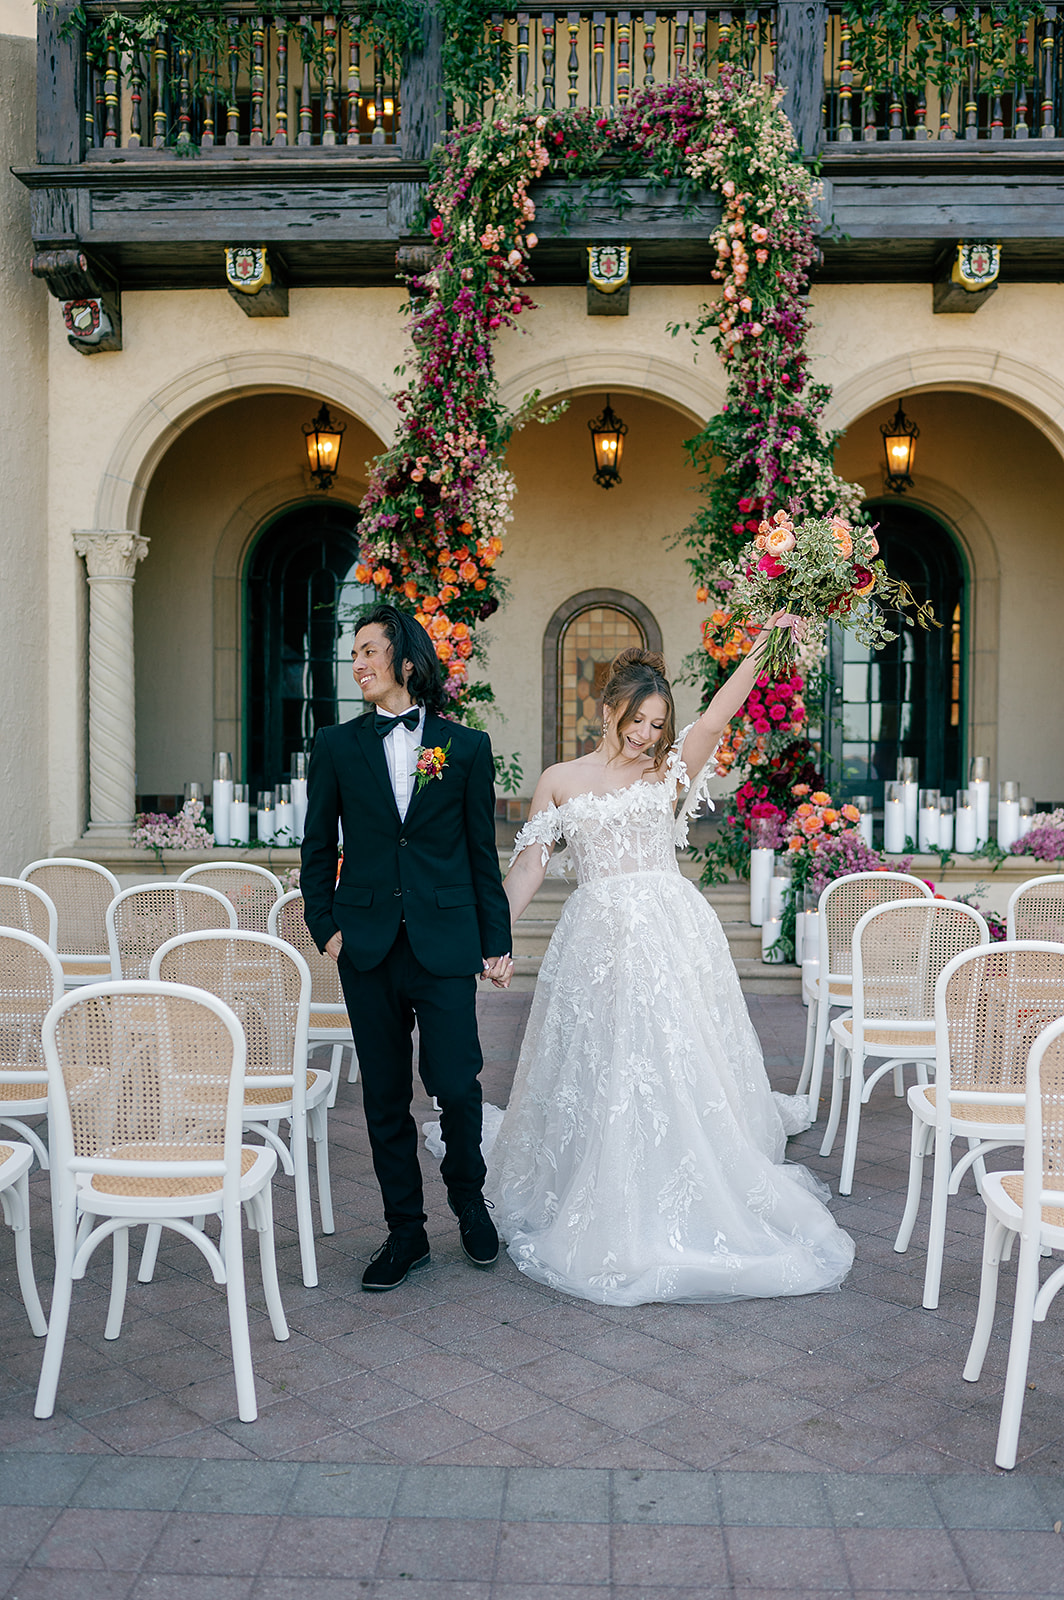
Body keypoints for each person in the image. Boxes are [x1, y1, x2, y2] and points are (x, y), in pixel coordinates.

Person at [485, 619, 855, 1305]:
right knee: (605, 1056)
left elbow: (720, 710)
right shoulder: (562, 780)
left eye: (657, 723)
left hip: (670, 932)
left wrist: (765, 643)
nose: (645, 734)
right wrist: (495, 935)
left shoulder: (671, 767)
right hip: (595, 937)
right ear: (607, 709)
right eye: (636, 719)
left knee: (674, 1052)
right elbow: (532, 865)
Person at [300, 603, 514, 1291]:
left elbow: (482, 853)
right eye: (353, 653)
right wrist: (325, 926)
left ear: (406, 662)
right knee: (385, 1096)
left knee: (456, 1083)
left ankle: (468, 1200)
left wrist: (496, 941)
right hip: (363, 944)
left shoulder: (466, 747)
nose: (356, 663)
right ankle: (405, 1232)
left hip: (445, 941)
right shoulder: (335, 746)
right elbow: (316, 847)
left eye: (367, 651)